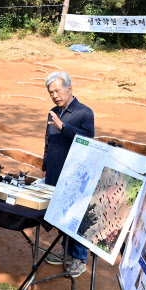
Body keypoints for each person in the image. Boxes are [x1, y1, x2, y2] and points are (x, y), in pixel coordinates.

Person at [41, 71, 95, 277]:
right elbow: (48, 142)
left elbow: (88, 140)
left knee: (75, 216)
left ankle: (80, 258)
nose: (54, 95)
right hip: (55, 171)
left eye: (57, 90)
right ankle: (66, 252)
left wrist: (63, 127)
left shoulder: (84, 112)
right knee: (61, 214)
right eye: (50, 92)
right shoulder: (53, 112)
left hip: (75, 173)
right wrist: (46, 164)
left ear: (69, 88)